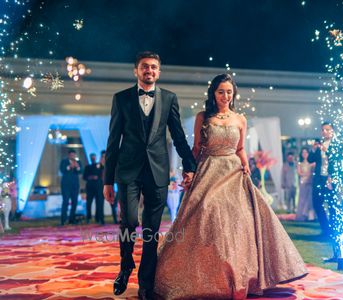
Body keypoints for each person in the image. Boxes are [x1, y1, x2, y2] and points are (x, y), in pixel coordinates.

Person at [155, 74, 307, 299]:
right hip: (208, 170)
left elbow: (240, 149)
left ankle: (240, 277)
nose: (225, 96)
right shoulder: (203, 117)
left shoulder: (240, 119)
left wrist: (246, 165)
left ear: (233, 94)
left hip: (234, 172)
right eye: (220, 92)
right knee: (206, 211)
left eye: (229, 92)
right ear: (213, 94)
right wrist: (189, 171)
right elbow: (196, 148)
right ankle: (205, 277)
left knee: (237, 224)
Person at [103, 51, 197, 299]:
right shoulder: (121, 99)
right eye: (145, 66)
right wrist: (107, 180)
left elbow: (178, 136)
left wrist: (190, 166)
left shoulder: (169, 98)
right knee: (129, 222)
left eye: (154, 67)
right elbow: (113, 141)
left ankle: (146, 285)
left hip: (157, 171)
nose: (149, 71)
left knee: (151, 230)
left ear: (159, 71)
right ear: (136, 70)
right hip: (127, 171)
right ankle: (125, 267)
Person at [309, 123, 334, 237]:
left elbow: (336, 160)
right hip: (319, 177)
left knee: (331, 204)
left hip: (330, 177)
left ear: (332, 130)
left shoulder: (336, 144)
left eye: (327, 129)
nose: (325, 132)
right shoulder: (320, 144)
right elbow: (310, 160)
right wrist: (313, 150)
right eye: (323, 129)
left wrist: (326, 150)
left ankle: (333, 229)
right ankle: (325, 229)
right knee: (317, 203)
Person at [59, 149, 82, 225]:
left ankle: (72, 219)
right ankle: (63, 220)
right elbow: (62, 170)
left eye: (74, 155)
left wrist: (77, 167)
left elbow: (80, 171)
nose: (73, 156)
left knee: (74, 202)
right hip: (66, 185)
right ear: (68, 155)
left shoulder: (78, 162)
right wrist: (69, 166)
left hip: (75, 186)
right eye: (71, 155)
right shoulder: (64, 161)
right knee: (65, 202)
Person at [83, 153, 104, 224]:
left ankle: (99, 218)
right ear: (90, 158)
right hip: (90, 188)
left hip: (98, 187)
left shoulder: (100, 166)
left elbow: (104, 171)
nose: (93, 158)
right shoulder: (87, 167)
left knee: (99, 203)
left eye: (94, 157)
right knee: (89, 203)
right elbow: (84, 177)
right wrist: (90, 177)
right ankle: (88, 218)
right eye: (92, 157)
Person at [295, 147, 315, 221]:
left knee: (309, 199)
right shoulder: (300, 163)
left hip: (310, 182)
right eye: (303, 153)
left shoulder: (312, 164)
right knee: (302, 199)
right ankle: (302, 216)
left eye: (306, 152)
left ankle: (310, 216)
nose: (304, 154)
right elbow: (299, 173)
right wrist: (306, 174)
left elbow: (312, 172)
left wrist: (308, 174)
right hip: (303, 182)